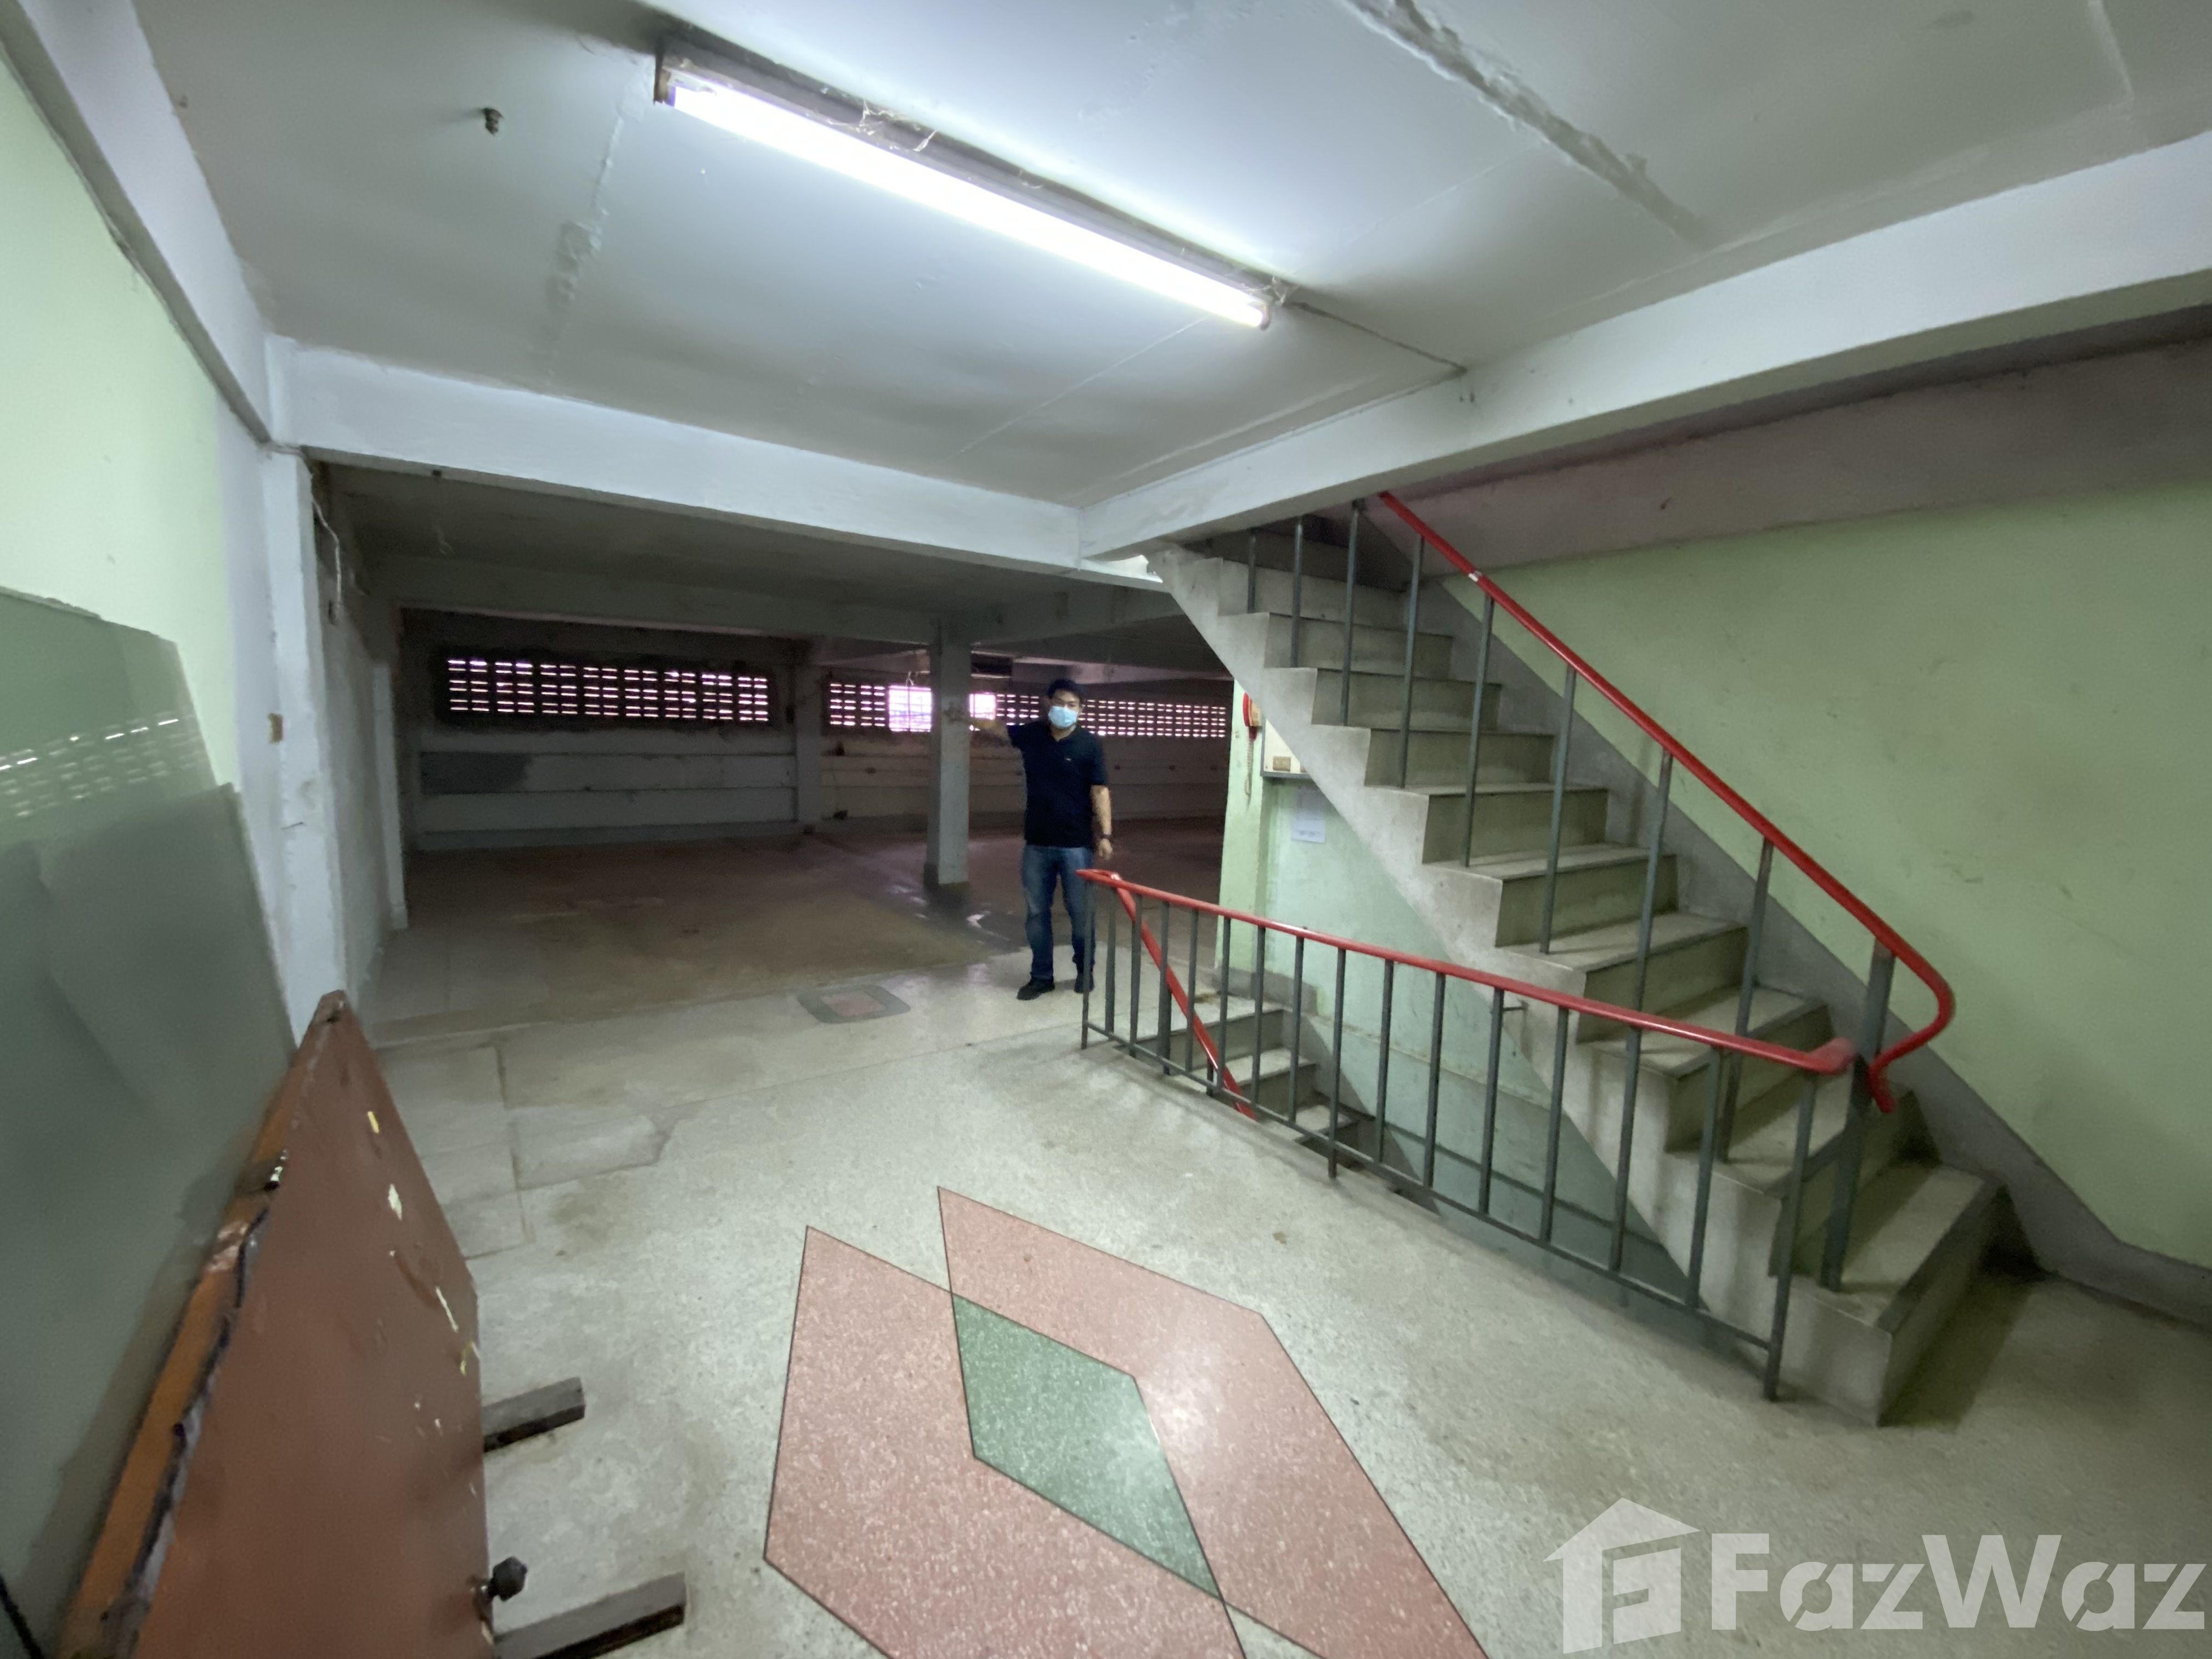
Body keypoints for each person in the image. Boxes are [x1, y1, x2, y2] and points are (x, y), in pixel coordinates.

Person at [969, 679, 1112, 1000]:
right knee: (1036, 914)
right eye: (1060, 702)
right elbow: (1000, 730)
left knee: (1080, 913)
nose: (1065, 709)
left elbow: (1100, 790)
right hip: (1036, 844)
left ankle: (1084, 971)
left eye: (1072, 705)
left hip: (1076, 845)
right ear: (1049, 703)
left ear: (1081, 710)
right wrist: (966, 716)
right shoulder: (1033, 735)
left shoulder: (1089, 744)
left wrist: (1105, 834)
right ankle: (1042, 976)